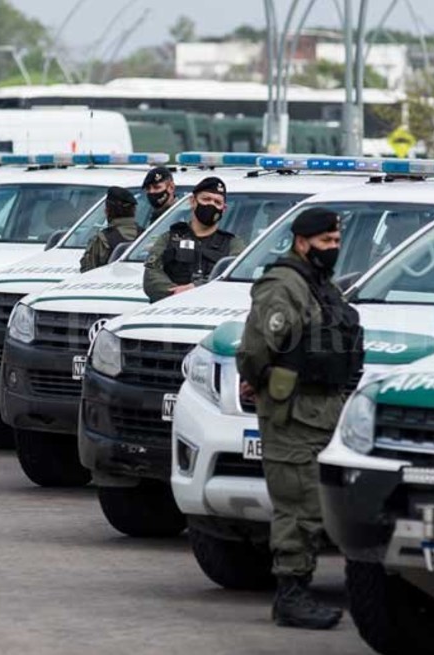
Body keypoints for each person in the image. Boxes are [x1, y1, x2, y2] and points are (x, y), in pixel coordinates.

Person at [236, 207, 364, 630]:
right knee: (298, 505)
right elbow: (255, 349)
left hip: (327, 411)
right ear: (302, 241)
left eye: (337, 241)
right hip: (292, 413)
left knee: (324, 505)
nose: (333, 248)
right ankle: (291, 595)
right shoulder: (284, 284)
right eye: (326, 242)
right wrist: (261, 379)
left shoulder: (321, 285)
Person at [143, 176, 243, 301]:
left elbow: (235, 277)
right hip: (170, 306)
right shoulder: (169, 238)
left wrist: (196, 288)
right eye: (206, 199)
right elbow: (151, 276)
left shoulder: (233, 243)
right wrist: (176, 293)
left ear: (224, 209)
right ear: (192, 201)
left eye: (217, 202)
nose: (211, 204)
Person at [80, 186, 142, 272]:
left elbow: (88, 271)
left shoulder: (102, 239)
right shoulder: (146, 236)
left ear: (107, 211)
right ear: (134, 210)